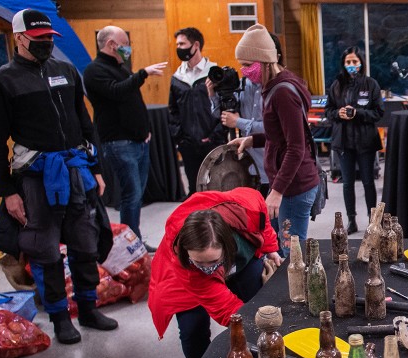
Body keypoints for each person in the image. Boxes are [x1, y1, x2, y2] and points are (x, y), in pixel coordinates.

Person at [0, 9, 118, 345]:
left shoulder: (66, 70)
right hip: (36, 176)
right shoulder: (2, 80)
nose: (45, 43)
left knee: (85, 243)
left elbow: (84, 122)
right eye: (38, 39)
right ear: (19, 38)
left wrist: (95, 167)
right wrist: (7, 192)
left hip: (75, 171)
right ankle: (59, 316)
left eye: (49, 38)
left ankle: (88, 308)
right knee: (44, 250)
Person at [148, 188, 281, 358]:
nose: (207, 269)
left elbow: (262, 218)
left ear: (226, 245)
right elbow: (225, 308)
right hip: (182, 280)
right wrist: (256, 325)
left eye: (212, 261)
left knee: (257, 299)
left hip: (239, 259)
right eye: (200, 261)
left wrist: (271, 247)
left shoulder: (245, 208)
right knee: (192, 329)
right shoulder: (184, 262)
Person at [229, 25, 320, 248]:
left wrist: (277, 191)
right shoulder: (273, 86)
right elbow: (279, 135)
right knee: (281, 248)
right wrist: (253, 140)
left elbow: (296, 146)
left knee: (291, 254)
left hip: (294, 187)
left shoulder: (282, 93)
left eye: (248, 65)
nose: (244, 71)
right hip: (288, 184)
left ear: (265, 61)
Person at [83, 25, 167, 244]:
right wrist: (143, 73)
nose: (128, 49)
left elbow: (131, 101)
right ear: (112, 44)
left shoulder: (120, 67)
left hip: (138, 141)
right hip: (119, 144)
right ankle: (131, 243)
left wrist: (144, 131)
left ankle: (133, 238)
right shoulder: (94, 71)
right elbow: (116, 92)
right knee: (131, 196)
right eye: (126, 45)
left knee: (137, 195)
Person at [214, 33, 283, 196]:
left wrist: (239, 122)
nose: (244, 69)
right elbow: (225, 117)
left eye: (248, 64)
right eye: (242, 64)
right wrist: (214, 94)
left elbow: (274, 130)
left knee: (275, 220)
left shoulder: (280, 89)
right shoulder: (244, 84)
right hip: (248, 167)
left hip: (273, 167)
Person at [326, 47, 384, 234]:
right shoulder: (336, 85)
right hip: (344, 142)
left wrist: (358, 113)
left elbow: (378, 112)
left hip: (365, 141)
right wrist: (338, 113)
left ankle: (373, 220)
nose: (351, 65)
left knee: (368, 182)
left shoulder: (371, 84)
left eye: (355, 62)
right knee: (347, 183)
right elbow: (329, 111)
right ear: (343, 64)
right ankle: (351, 220)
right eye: (348, 62)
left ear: (361, 63)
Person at [169, 27, 224, 195]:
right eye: (177, 44)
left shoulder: (215, 74)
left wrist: (214, 136)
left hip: (212, 142)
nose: (179, 48)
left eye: (182, 43)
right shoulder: (178, 77)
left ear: (196, 45)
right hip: (188, 145)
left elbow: (225, 107)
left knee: (216, 187)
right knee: (194, 190)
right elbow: (173, 110)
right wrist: (180, 137)